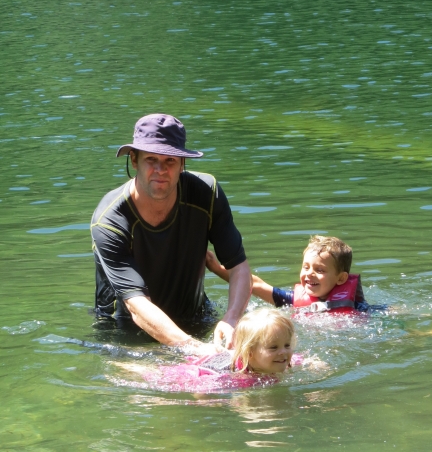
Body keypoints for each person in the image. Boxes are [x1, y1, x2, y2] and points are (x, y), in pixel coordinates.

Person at [91, 113, 251, 349]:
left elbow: (238, 267)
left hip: (196, 317)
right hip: (126, 332)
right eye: (151, 160)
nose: (160, 170)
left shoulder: (206, 193)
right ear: (134, 161)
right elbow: (136, 305)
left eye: (170, 161)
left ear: (182, 164)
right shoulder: (109, 220)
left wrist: (231, 319)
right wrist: (193, 348)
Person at [112, 308, 302, 392]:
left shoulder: (284, 359)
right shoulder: (240, 380)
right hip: (201, 372)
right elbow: (202, 391)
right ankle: (122, 364)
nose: (283, 352)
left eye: (287, 345)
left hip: (223, 358)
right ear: (249, 352)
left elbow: (301, 360)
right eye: (273, 347)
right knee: (156, 374)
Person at [207, 235, 372, 314]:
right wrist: (216, 268)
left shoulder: (357, 308)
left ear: (341, 278)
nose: (310, 274)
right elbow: (256, 285)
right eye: (306, 267)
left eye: (319, 270)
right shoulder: (293, 299)